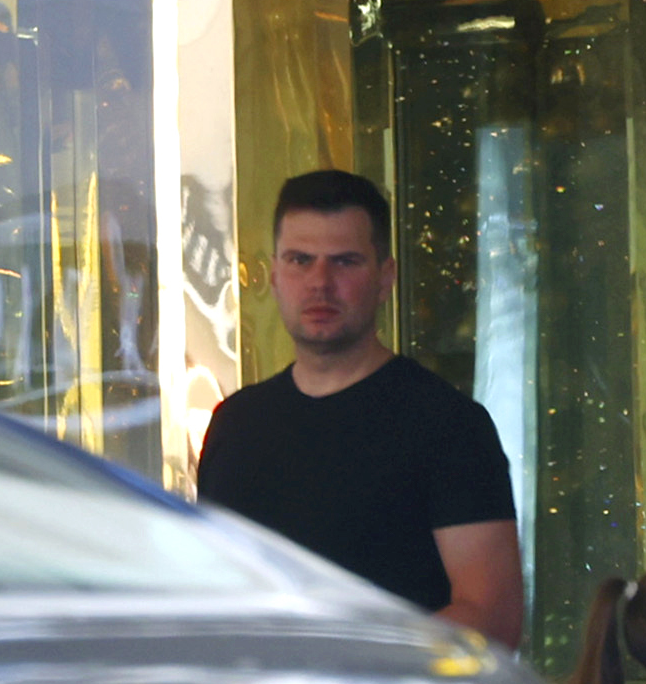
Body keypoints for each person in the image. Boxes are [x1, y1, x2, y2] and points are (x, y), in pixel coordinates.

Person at [194, 168, 523, 643]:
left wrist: (343, 668)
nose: (320, 283)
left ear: (385, 277)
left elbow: (492, 618)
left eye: (345, 261)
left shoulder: (448, 427)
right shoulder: (236, 425)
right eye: (300, 260)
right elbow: (215, 594)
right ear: (272, 275)